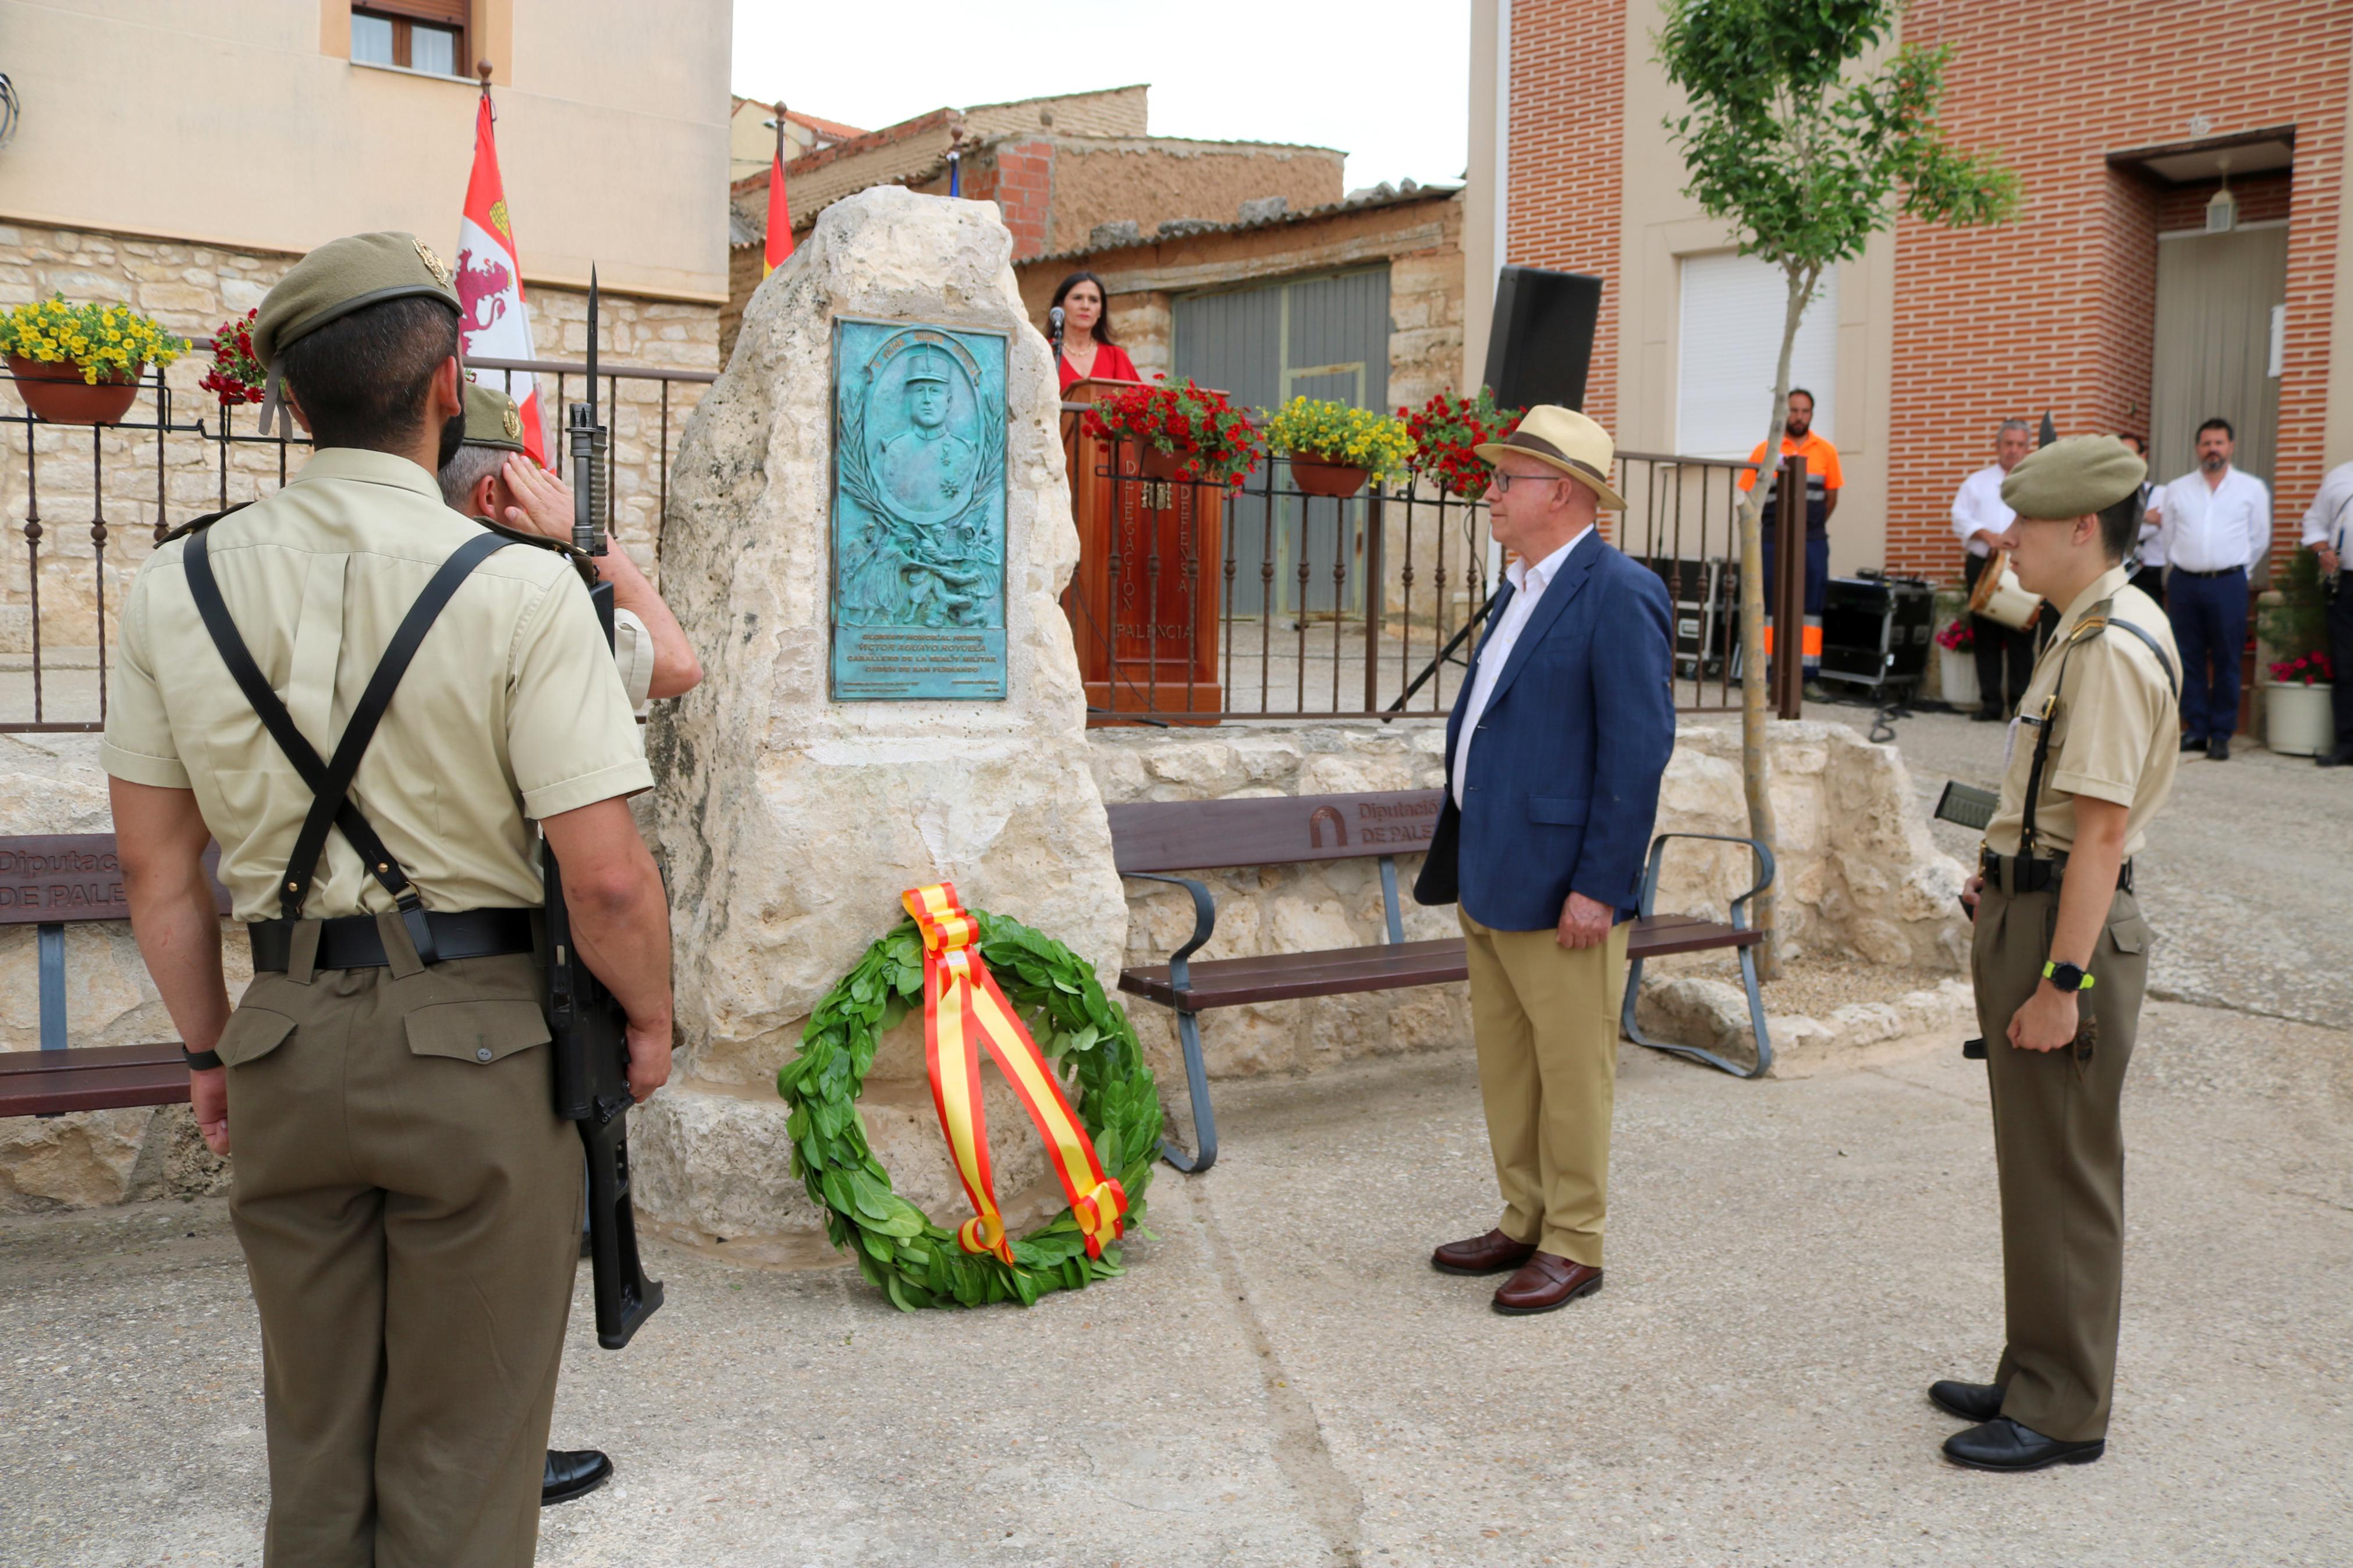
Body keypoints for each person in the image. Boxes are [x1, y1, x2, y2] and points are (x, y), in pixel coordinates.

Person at [101, 232, 674, 1566]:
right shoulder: (524, 591)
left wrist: (209, 1046)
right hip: (479, 1051)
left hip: (286, 1032)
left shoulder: (173, 584)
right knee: (462, 1474)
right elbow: (604, 876)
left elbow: (153, 868)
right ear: (448, 386)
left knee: (317, 1463)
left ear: (293, 403)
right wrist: (647, 1021)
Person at [437, 379, 701, 1510]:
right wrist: (586, 545)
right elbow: (677, 663)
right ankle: (490, 1463)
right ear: (505, 487)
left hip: (338, 971)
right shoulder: (544, 601)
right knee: (503, 1245)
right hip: (504, 981)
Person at [1942, 435, 2180, 1473]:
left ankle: (2065, 1408)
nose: (2011, 540)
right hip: (2028, 913)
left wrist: (2060, 986)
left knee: (2067, 1176)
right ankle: (2034, 1365)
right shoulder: (2076, 627)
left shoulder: (2113, 646)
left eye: (2027, 524)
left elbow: (2098, 834)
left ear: (2082, 528)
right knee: (2032, 1168)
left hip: (2063, 939)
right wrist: (1998, 873)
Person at [1414, 405, 1675, 1315]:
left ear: (1558, 492)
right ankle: (1523, 1214)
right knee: (1509, 1064)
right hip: (1492, 871)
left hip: (1566, 887)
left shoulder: (1617, 591)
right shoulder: (1520, 586)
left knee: (1571, 1071)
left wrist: (1599, 886)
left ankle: (1574, 1239)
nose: (1487, 492)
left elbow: (1634, 754)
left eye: (1505, 479)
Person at [441, 381, 702, 716]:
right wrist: (587, 537)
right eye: (522, 482)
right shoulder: (526, 596)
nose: (531, 497)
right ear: (490, 495)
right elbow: (677, 665)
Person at [2150, 417, 2270, 761]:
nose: (2212, 449)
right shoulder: (2178, 488)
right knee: (2187, 658)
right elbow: (2170, 534)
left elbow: (2259, 538)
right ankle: (2196, 729)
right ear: (2197, 448)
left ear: (2230, 447)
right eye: (2206, 443)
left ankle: (2221, 734)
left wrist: (2239, 572)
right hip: (2185, 583)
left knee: (2228, 658)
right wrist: (2183, 566)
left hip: (2229, 583)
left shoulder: (2251, 488)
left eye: (2219, 443)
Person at [1737, 387, 1843, 696]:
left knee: (1810, 607)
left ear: (1812, 414)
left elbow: (1831, 498)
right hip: (1771, 540)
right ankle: (1770, 675)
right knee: (1769, 605)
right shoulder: (1765, 451)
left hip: (1811, 541)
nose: (1799, 417)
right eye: (1793, 411)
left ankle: (1807, 677)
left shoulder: (1826, 451)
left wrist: (1809, 526)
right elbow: (1746, 496)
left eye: (1805, 411)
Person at [1951, 419, 2037, 720]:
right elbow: (1959, 517)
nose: (2013, 450)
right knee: (1985, 635)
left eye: (2019, 445)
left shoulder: (2036, 483)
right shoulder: (1977, 482)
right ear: (1998, 446)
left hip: (2024, 565)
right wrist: (1987, 536)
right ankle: (1990, 703)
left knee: (2021, 637)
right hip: (1983, 564)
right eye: (2008, 444)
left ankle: (2019, 705)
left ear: (2028, 448)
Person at [2300, 455, 2353, 767]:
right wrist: (2322, 550)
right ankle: (2348, 742)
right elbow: (2314, 521)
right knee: (2347, 665)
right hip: (2347, 583)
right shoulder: (2340, 476)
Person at [1048, 270, 1141, 392]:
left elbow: (1138, 402)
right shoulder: (1044, 352)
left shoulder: (1116, 356)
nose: (1086, 306)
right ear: (1061, 306)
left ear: (1101, 311)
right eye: (1077, 298)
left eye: (1093, 300)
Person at [2119, 433, 2164, 607]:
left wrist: (2124, 522)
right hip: (2117, 573)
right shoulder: (2111, 496)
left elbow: (2148, 530)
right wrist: (2145, 516)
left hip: (2149, 575)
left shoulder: (2161, 493)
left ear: (2142, 457)